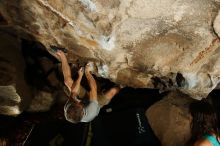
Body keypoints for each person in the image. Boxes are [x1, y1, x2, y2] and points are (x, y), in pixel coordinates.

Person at [56, 50, 121, 123]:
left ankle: (63, 56)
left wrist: (80, 76)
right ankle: (121, 86)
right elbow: (93, 89)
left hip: (84, 99)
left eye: (74, 102)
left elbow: (74, 91)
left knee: (67, 82)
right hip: (97, 103)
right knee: (113, 91)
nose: (76, 101)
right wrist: (87, 72)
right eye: (77, 103)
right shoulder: (91, 111)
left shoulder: (69, 108)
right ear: (82, 109)